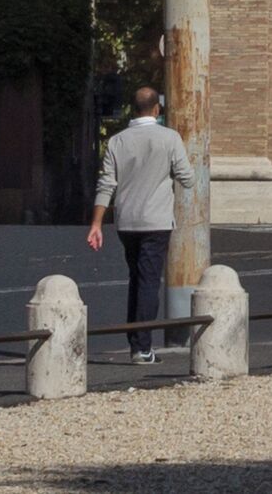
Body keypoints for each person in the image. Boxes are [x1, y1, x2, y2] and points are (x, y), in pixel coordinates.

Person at [85, 88, 191, 363]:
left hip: (126, 222)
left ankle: (134, 339)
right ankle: (142, 347)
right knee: (149, 282)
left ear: (134, 109)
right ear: (157, 109)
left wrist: (96, 223)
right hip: (156, 221)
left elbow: (106, 183)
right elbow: (187, 177)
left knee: (136, 278)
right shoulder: (169, 138)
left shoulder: (117, 141)